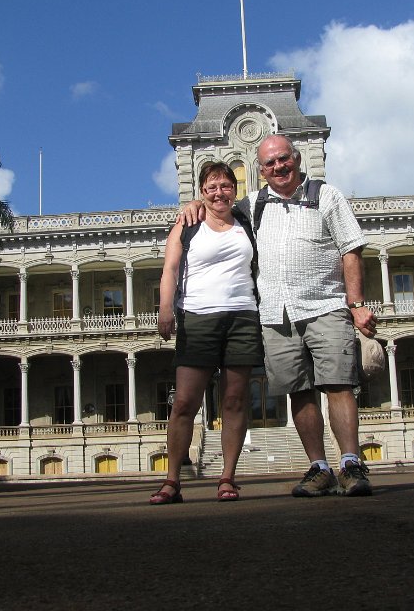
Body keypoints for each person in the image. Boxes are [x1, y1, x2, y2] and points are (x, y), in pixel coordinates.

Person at [182, 134, 377, 497]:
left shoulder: (326, 195)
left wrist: (356, 303)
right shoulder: (251, 204)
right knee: (299, 392)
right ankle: (319, 468)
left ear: (296, 158)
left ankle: (351, 462)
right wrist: (195, 202)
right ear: (260, 169)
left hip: (326, 305)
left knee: (338, 383)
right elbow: (217, 206)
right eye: (269, 163)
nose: (278, 167)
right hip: (275, 313)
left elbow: (351, 250)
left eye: (283, 159)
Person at [150, 162, 263, 504]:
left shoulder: (246, 222)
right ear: (202, 192)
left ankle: (227, 477)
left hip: (242, 315)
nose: (219, 192)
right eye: (212, 187)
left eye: (226, 186)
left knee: (234, 400)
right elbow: (169, 269)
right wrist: (166, 309)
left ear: (235, 189)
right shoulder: (188, 224)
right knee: (185, 401)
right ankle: (172, 480)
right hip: (198, 317)